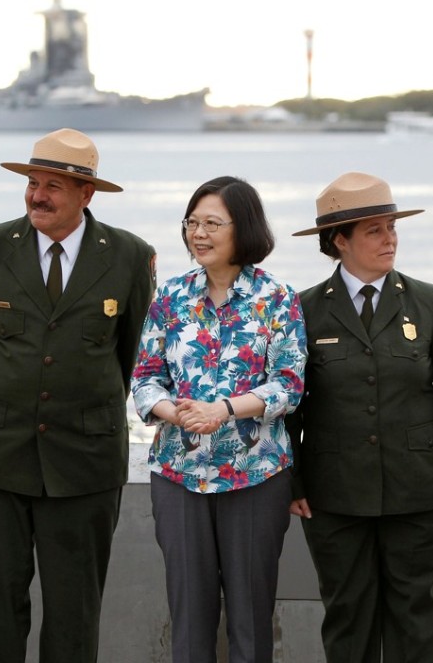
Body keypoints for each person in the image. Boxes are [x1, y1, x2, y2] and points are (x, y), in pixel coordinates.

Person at [0, 128, 155, 663]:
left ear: (86, 195)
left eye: (53, 187)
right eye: (33, 183)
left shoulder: (131, 257)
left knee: (74, 614)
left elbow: (129, 354)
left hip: (85, 461)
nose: (37, 195)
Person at [287, 171, 433, 663]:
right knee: (347, 616)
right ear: (339, 240)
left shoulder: (429, 302)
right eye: (375, 230)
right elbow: (290, 403)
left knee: (419, 616)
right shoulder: (303, 309)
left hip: (418, 488)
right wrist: (293, 484)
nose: (390, 239)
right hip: (335, 494)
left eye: (392, 227)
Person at [131, 176, 306, 663]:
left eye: (212, 223)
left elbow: (288, 385)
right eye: (192, 223)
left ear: (242, 228)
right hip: (177, 474)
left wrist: (223, 410)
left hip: (255, 475)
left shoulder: (277, 299)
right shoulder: (169, 297)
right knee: (188, 619)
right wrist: (179, 413)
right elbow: (144, 380)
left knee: (251, 619)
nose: (199, 234)